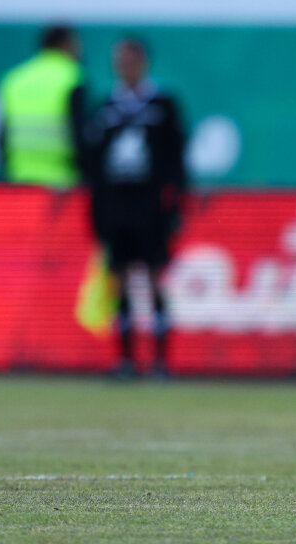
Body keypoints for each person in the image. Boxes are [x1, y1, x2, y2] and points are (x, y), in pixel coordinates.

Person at [86, 38, 187, 379]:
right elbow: (94, 165)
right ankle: (125, 360)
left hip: (150, 206)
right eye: (120, 62)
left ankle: (160, 361)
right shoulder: (105, 107)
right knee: (120, 280)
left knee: (155, 277)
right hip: (117, 206)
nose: (125, 68)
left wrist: (176, 204)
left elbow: (177, 158)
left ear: (143, 63)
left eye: (131, 61)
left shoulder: (162, 105)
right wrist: (97, 210)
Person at [0, 25, 86, 189]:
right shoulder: (72, 77)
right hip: (61, 185)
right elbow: (79, 135)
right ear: (67, 44)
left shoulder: (14, 80)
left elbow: (2, 138)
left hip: (19, 179)